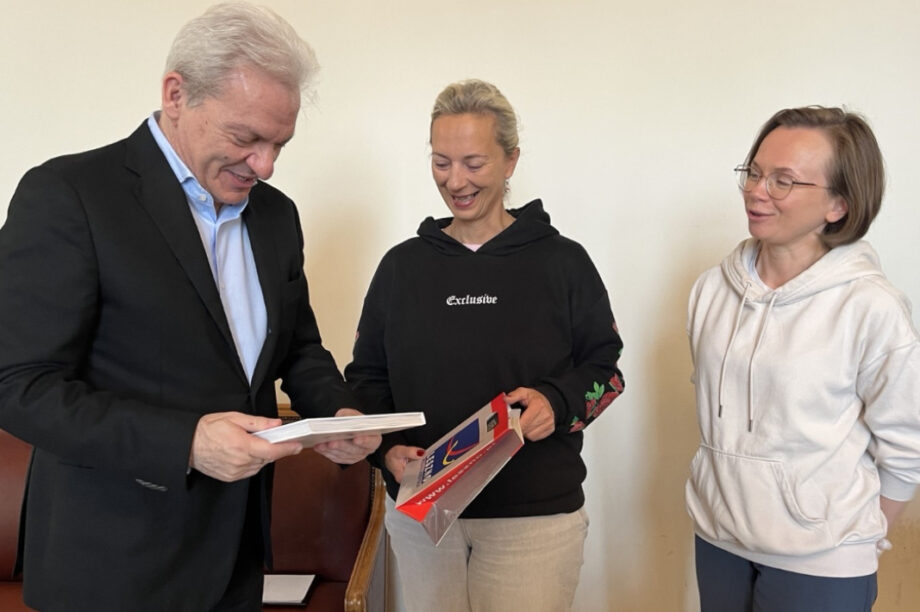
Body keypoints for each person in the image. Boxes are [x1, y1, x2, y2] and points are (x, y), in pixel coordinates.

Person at [0, 3, 380, 611]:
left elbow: (298, 347)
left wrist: (336, 413)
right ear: (176, 94)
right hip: (110, 570)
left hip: (235, 562)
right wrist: (186, 442)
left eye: (279, 144)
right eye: (246, 138)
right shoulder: (69, 195)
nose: (265, 165)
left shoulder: (276, 215)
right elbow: (17, 385)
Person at [345, 79, 625, 612]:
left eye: (474, 163)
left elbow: (606, 373)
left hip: (534, 519)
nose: (456, 181)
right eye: (441, 162)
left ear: (511, 159)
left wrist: (557, 402)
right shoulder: (402, 267)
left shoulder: (563, 262)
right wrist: (386, 451)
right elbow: (366, 378)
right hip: (423, 513)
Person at [685, 106, 920, 611]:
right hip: (718, 540)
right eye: (753, 172)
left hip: (823, 561)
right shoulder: (711, 290)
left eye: (783, 181)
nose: (756, 191)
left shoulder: (871, 306)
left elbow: (906, 445)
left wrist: (856, 535)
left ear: (839, 204)